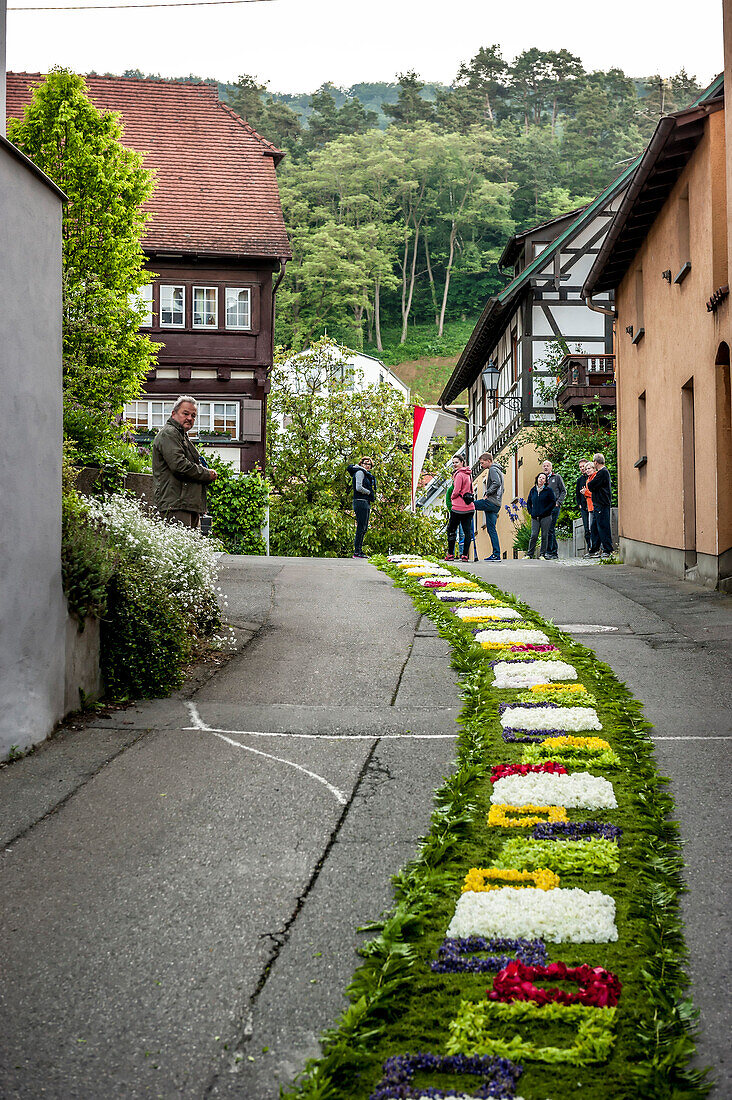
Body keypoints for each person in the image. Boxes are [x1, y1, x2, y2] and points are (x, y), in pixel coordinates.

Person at [152, 395, 217, 528]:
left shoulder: (180, 435)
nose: (190, 418)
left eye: (193, 416)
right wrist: (206, 474)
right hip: (176, 505)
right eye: (185, 413)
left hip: (185, 505)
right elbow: (179, 466)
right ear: (174, 414)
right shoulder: (169, 433)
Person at [474, 452, 504, 561]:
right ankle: (496, 554)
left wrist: (488, 493)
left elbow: (497, 483)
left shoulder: (492, 470)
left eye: (482, 463)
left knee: (470, 505)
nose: (481, 465)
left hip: (491, 502)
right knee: (491, 530)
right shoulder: (498, 470)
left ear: (488, 461)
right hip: (497, 503)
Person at [445, 456, 476, 562]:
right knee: (467, 531)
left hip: (458, 507)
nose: (454, 464)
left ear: (462, 462)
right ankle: (465, 555)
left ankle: (450, 554)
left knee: (451, 529)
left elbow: (456, 490)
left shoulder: (458, 474)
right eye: (453, 462)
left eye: (456, 462)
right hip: (469, 507)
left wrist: (452, 497)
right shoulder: (468, 474)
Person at [347, 456, 376, 558]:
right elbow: (358, 487)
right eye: (365, 463)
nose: (367, 466)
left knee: (364, 527)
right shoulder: (360, 472)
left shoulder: (366, 474)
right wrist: (368, 492)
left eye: (369, 464)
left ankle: (359, 550)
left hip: (365, 502)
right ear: (361, 464)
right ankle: (357, 552)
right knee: (361, 526)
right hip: (360, 501)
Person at [586, 453, 613, 557]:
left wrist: (590, 485)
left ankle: (607, 549)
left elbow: (591, 485)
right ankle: (594, 549)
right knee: (595, 527)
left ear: (596, 462)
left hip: (602, 503)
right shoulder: (602, 473)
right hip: (598, 504)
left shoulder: (603, 473)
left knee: (603, 526)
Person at [526, 472, 556, 559]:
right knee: (534, 535)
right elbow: (529, 502)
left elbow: (552, 502)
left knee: (544, 535)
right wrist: (531, 512)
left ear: (545, 481)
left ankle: (542, 554)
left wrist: (546, 511)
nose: (541, 479)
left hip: (546, 517)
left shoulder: (548, 490)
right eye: (540, 477)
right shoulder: (533, 490)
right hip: (535, 517)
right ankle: (529, 554)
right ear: (537, 479)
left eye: (543, 478)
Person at [541, 460, 566, 559]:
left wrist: (558, 502)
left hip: (554, 507)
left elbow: (563, 491)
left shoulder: (557, 477)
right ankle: (553, 552)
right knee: (548, 529)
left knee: (550, 529)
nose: (546, 467)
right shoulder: (542, 479)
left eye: (548, 466)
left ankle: (550, 552)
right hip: (545, 508)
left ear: (551, 467)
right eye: (544, 466)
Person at [575, 459, 592, 552]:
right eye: (580, 467)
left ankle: (595, 547)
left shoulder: (592, 477)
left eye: (583, 466)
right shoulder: (580, 480)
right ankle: (589, 548)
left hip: (592, 506)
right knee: (586, 529)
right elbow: (577, 494)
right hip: (584, 507)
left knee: (593, 527)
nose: (582, 468)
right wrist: (580, 505)